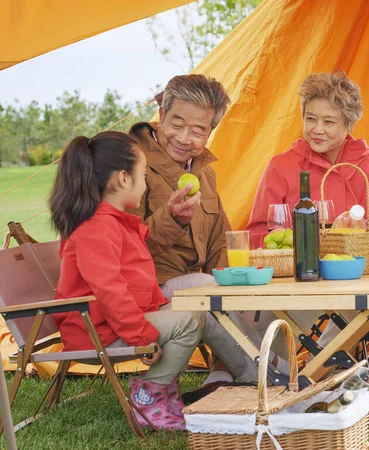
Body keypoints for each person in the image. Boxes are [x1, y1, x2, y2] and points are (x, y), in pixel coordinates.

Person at [49, 131, 202, 430]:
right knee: (189, 322)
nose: (145, 186)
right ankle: (148, 397)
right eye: (143, 176)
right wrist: (142, 336)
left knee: (197, 311)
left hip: (108, 325)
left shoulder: (111, 223)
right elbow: (110, 291)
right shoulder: (97, 228)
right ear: (122, 179)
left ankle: (164, 395)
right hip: (97, 333)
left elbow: (133, 282)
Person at [129, 74, 267, 393]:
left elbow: (222, 239)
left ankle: (224, 376)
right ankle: (263, 376)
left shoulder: (204, 172)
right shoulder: (129, 166)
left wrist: (240, 278)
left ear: (210, 131)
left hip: (194, 285)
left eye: (198, 130)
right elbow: (123, 249)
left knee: (262, 287)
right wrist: (172, 218)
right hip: (146, 289)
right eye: (177, 123)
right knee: (206, 287)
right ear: (162, 115)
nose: (184, 137)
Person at [244, 70, 369, 358]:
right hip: (298, 283)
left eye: (329, 121)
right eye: (310, 119)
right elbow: (257, 232)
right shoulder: (281, 165)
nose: (317, 129)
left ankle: (322, 365)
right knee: (266, 322)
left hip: (353, 281)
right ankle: (288, 371)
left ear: (349, 123)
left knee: (357, 299)